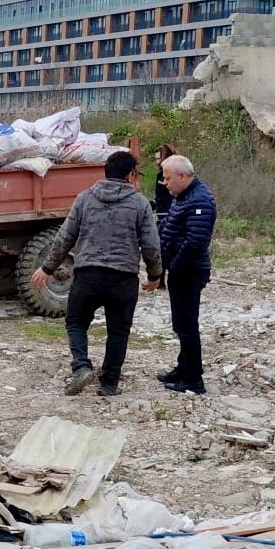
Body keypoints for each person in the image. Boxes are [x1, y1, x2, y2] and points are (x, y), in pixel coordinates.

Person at [30, 150, 163, 397]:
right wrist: (155, 276)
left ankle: (81, 366)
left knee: (76, 322)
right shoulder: (139, 204)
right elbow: (151, 245)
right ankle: (109, 383)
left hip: (87, 274)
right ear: (131, 175)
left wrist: (47, 268)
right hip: (123, 277)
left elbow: (64, 237)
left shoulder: (85, 199)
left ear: (105, 171)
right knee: (118, 331)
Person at [157, 154, 217, 395]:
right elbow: (170, 227)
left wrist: (176, 266)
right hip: (180, 270)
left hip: (189, 271)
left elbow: (195, 242)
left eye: (167, 177)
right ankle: (184, 368)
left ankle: (193, 379)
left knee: (187, 325)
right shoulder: (182, 196)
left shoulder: (200, 200)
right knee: (180, 323)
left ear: (182, 176)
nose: (164, 182)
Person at [152, 144, 176, 290]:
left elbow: (167, 197)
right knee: (162, 249)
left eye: (158, 159)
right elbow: (160, 198)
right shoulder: (159, 175)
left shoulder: (166, 176)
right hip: (162, 215)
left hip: (167, 216)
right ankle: (161, 280)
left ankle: (162, 280)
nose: (156, 162)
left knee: (164, 249)